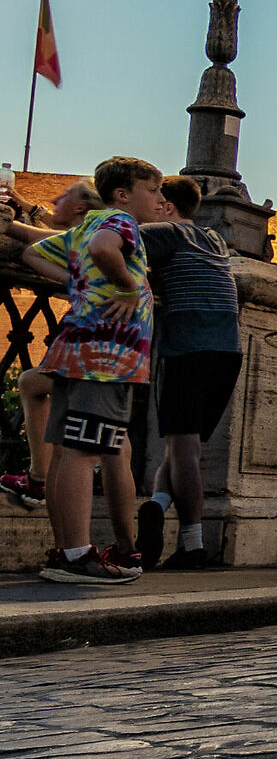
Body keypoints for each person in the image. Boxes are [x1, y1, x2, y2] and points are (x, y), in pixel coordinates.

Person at [7, 158, 164, 585]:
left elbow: (30, 253)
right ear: (123, 193)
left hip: (74, 349)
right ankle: (76, 556)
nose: (160, 199)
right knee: (85, 451)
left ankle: (64, 549)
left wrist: (80, 286)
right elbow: (103, 251)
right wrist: (128, 287)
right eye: (152, 190)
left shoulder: (85, 226)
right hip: (108, 357)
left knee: (64, 453)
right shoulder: (120, 221)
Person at [132, 175, 243, 569]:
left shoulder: (167, 231)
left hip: (187, 347)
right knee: (185, 450)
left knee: (182, 448)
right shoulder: (213, 239)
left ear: (166, 204)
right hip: (227, 350)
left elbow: (110, 241)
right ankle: (158, 506)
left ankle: (192, 543)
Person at [0, 178, 98, 513]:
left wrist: (74, 284)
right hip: (111, 349)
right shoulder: (96, 234)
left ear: (83, 206)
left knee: (96, 445)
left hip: (98, 345)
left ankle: (44, 487)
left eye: (65, 196)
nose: (56, 198)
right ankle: (41, 481)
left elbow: (32, 244)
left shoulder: (92, 236)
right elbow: (43, 236)